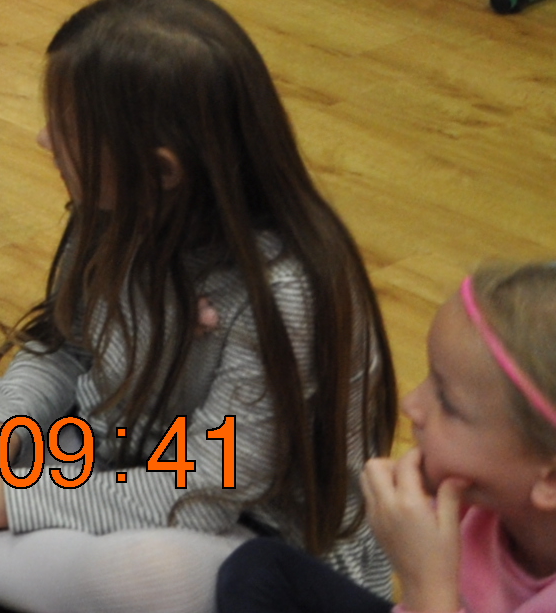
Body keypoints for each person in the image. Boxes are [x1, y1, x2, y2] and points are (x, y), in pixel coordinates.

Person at [0, 0, 397, 612]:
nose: (43, 140)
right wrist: (6, 427)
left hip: (251, 545)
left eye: (67, 130)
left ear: (161, 171)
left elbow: (205, 491)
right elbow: (65, 347)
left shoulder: (287, 293)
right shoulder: (117, 206)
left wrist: (5, 503)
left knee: (142, 574)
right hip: (102, 460)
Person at [219, 259, 556, 613]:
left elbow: (215, 465)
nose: (411, 404)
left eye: (447, 403)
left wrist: (426, 585)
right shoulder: (474, 502)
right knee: (259, 569)